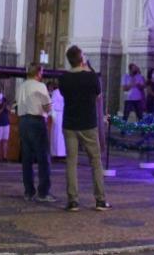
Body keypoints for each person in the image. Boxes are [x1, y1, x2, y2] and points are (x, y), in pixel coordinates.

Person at [58, 45, 108, 212]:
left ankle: (73, 201)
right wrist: (88, 70)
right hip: (88, 124)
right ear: (81, 59)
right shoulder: (91, 77)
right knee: (95, 162)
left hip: (70, 124)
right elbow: (98, 95)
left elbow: (65, 95)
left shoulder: (64, 78)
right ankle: (100, 200)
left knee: (71, 162)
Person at [17, 63, 54, 203]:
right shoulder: (40, 86)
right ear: (38, 73)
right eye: (42, 72)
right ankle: (43, 192)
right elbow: (47, 106)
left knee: (27, 158)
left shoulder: (22, 86)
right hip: (36, 121)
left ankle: (28, 191)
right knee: (43, 158)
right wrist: (50, 110)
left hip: (23, 122)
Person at [47, 80, 66, 159]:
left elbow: (54, 105)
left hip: (60, 115)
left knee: (60, 136)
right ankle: (59, 153)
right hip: (60, 115)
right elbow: (54, 105)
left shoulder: (60, 92)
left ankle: (60, 153)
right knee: (59, 136)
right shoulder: (59, 92)